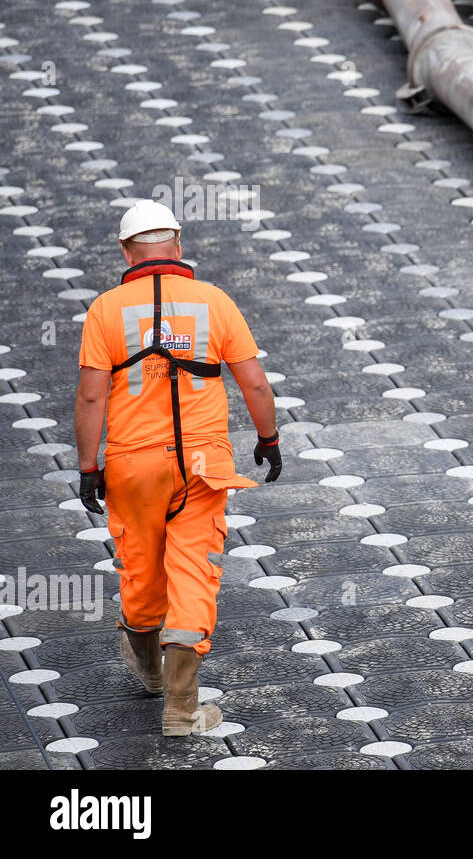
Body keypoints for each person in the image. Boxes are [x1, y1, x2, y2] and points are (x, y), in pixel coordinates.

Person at [74, 199, 281, 737]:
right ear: (178, 246)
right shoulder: (213, 300)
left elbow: (92, 398)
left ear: (126, 251)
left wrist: (87, 466)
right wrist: (268, 437)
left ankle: (147, 669)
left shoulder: (105, 310)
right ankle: (183, 709)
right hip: (202, 464)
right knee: (194, 570)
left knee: (140, 569)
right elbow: (254, 381)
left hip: (131, 463)